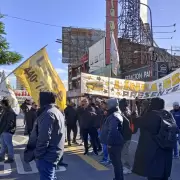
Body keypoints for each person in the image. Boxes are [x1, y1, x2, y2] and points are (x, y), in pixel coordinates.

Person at [133, 98, 175, 180]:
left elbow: (136, 124)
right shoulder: (168, 115)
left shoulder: (150, 116)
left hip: (153, 154)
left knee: (154, 176)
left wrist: (135, 111)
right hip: (166, 154)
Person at [26, 92, 65, 180]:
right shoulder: (56, 111)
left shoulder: (48, 113)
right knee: (51, 177)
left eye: (39, 99)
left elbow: (44, 137)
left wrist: (38, 154)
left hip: (47, 155)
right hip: (54, 153)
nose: (38, 101)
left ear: (44, 100)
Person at [100, 98, 124, 180]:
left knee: (117, 163)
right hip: (115, 143)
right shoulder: (114, 114)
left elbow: (113, 131)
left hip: (114, 144)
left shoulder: (114, 115)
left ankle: (119, 178)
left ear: (111, 105)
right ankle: (118, 177)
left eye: (107, 104)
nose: (106, 106)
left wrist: (110, 143)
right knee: (116, 163)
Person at [0, 98, 16, 163]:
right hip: (2, 131)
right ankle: (1, 157)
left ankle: (11, 158)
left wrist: (5, 130)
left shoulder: (10, 112)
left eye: (1, 104)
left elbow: (10, 123)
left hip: (6, 131)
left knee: (9, 145)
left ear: (4, 104)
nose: (1, 105)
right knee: (3, 145)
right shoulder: (5, 110)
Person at [119, 98, 133, 174]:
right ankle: (125, 166)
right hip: (123, 135)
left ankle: (127, 167)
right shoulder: (124, 112)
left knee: (124, 152)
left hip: (126, 135)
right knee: (122, 152)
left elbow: (127, 124)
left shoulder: (126, 112)